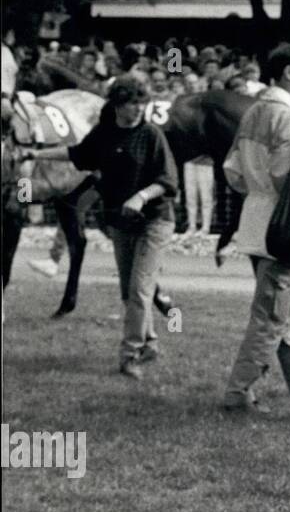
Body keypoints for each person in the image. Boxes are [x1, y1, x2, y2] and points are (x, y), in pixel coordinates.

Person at [22, 75, 178, 379]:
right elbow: (76, 154)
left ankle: (129, 354)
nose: (138, 109)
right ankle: (150, 343)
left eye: (141, 103)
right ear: (117, 105)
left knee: (140, 288)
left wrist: (141, 196)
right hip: (121, 222)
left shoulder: (151, 135)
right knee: (128, 291)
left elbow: (169, 182)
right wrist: (35, 153)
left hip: (154, 221)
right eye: (132, 103)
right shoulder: (104, 134)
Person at [221, 42, 290, 413]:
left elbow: (231, 169)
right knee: (271, 313)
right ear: (289, 72)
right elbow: (281, 175)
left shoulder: (253, 111)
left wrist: (255, 191)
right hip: (280, 228)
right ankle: (239, 390)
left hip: (254, 221)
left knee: (282, 305)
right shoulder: (288, 117)